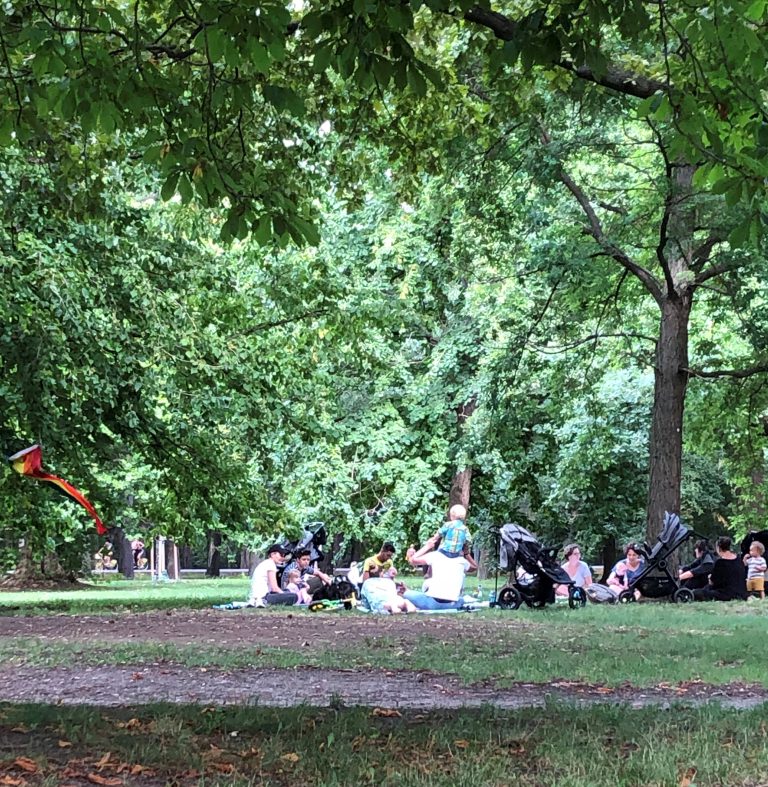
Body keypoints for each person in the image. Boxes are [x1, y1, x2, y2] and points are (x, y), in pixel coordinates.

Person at [403, 534, 475, 610]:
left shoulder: (435, 556)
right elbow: (474, 567)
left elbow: (412, 560)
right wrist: (466, 553)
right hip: (453, 604)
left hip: (433, 603)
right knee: (462, 600)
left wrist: (427, 546)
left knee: (404, 593)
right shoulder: (462, 561)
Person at [693, 536, 747, 601]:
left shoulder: (720, 562)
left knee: (697, 592)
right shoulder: (739, 560)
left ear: (718, 548)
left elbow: (713, 582)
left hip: (726, 594)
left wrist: (710, 578)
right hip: (741, 593)